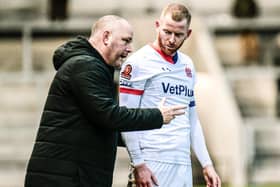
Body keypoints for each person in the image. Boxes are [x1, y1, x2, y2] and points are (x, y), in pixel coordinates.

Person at [24, 15, 187, 187]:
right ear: (106, 37)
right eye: (126, 41)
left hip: (71, 176)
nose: (130, 49)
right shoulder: (85, 66)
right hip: (63, 178)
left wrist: (150, 141)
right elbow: (109, 116)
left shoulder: (93, 66)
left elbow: (104, 128)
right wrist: (158, 116)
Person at [119, 3, 221, 187]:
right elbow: (126, 118)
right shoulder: (137, 63)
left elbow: (192, 119)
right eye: (167, 32)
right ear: (157, 25)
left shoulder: (188, 65)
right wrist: (139, 163)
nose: (172, 40)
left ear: (188, 34)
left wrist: (207, 164)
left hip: (182, 163)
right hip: (152, 162)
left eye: (178, 34)